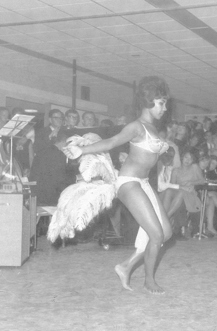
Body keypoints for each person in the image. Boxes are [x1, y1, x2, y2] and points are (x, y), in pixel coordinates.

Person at [62, 76, 173, 294]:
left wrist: (165, 149)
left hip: (143, 183)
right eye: (161, 103)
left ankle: (126, 266)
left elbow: (150, 155)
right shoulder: (136, 126)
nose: (165, 108)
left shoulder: (152, 128)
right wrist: (82, 150)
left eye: (165, 103)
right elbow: (112, 142)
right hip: (129, 183)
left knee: (166, 233)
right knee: (157, 235)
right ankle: (149, 281)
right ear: (149, 102)